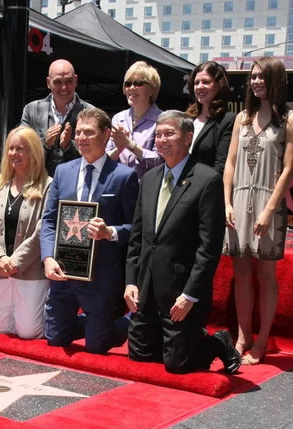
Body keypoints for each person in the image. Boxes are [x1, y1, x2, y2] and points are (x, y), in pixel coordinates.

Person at [125, 110, 241, 375]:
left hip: (181, 294)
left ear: (188, 138)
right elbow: (137, 238)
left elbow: (209, 248)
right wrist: (131, 282)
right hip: (147, 290)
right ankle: (176, 341)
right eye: (158, 134)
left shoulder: (207, 180)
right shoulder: (150, 180)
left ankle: (216, 342)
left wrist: (190, 295)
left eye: (169, 134)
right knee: (140, 356)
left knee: (177, 365)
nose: (162, 139)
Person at [41, 108, 139, 354]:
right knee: (55, 339)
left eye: (89, 132)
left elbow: (136, 228)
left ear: (106, 135)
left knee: (97, 347)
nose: (81, 138)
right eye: (78, 132)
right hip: (64, 271)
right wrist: (48, 258)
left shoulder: (124, 176)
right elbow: (49, 220)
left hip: (101, 277)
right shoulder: (63, 172)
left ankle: (130, 321)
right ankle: (95, 324)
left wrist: (110, 232)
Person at [223, 57, 293, 365]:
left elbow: (289, 168)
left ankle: (262, 340)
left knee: (265, 275)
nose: (256, 81)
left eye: (262, 76)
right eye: (253, 76)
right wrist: (226, 202)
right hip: (238, 202)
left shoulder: (289, 120)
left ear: (275, 79)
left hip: (269, 204)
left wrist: (269, 210)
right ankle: (242, 337)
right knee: (240, 275)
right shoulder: (241, 118)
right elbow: (230, 163)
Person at [0, 126, 52, 339]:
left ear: (34, 153)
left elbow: (43, 229)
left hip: (30, 270)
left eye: (21, 149)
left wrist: (15, 262)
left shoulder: (47, 186)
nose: (14, 154)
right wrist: (0, 259)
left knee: (29, 332)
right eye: (11, 148)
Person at [20, 59, 94, 176]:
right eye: (58, 82)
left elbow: (96, 154)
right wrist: (45, 144)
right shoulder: (31, 110)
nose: (64, 87)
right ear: (48, 83)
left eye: (69, 81)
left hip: (77, 186)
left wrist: (69, 146)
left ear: (76, 80)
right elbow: (21, 149)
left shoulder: (92, 113)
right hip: (39, 186)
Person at [107, 61, 163, 182]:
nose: (131, 88)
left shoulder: (162, 120)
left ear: (152, 90)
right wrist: (118, 149)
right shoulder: (118, 118)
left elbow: (160, 160)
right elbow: (105, 159)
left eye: (138, 83)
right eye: (128, 84)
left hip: (147, 190)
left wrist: (130, 144)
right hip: (118, 187)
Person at [187, 61, 235, 175]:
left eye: (206, 82)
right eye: (196, 83)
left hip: (207, 187)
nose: (200, 87)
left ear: (219, 85)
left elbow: (221, 166)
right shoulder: (188, 118)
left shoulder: (228, 120)